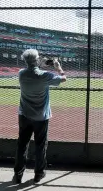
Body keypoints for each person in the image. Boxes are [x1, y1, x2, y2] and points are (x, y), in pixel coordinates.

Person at [14, 49, 66, 184]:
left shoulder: (21, 74)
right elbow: (63, 79)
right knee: (40, 146)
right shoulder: (45, 76)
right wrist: (58, 67)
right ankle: (39, 174)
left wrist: (38, 64)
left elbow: (33, 70)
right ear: (36, 60)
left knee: (22, 145)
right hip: (41, 117)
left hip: (24, 115)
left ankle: (18, 175)